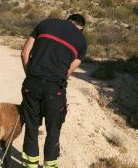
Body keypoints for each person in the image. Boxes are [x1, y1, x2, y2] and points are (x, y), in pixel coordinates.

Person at [20, 14, 88, 168]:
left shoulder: (45, 23)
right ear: (81, 27)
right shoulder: (82, 41)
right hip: (55, 89)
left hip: (33, 84)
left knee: (31, 127)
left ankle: (30, 165)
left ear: (67, 19)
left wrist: (31, 77)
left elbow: (24, 53)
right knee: (53, 130)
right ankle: (50, 165)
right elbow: (68, 72)